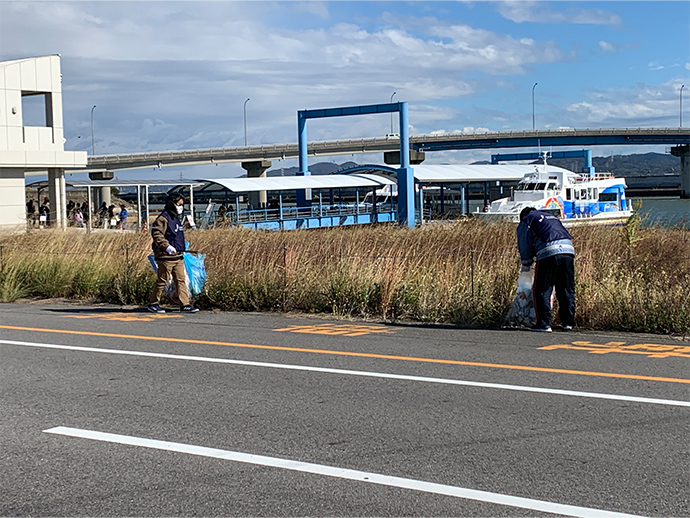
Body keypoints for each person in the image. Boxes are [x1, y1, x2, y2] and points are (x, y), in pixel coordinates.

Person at [517, 207, 575, 332]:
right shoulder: (552, 217)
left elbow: (524, 244)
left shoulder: (527, 220)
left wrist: (526, 266)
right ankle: (568, 323)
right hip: (568, 251)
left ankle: (544, 324)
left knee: (542, 288)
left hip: (547, 252)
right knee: (565, 287)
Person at [147, 192, 199, 314]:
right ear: (172, 203)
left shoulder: (176, 218)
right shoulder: (163, 218)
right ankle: (153, 303)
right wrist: (167, 247)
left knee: (181, 280)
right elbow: (157, 234)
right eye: (179, 204)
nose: (181, 206)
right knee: (163, 280)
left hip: (178, 256)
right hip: (166, 257)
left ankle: (185, 304)